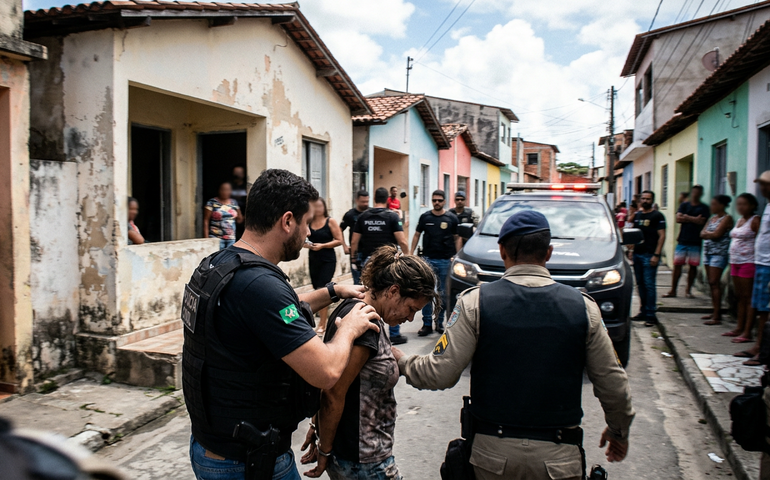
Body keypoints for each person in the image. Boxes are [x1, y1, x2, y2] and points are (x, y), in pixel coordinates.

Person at [393, 210, 635, 480]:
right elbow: (614, 383)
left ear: (501, 251)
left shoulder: (475, 303)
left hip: (491, 459)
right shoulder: (583, 308)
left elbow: (440, 372)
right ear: (549, 253)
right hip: (559, 460)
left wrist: (403, 362)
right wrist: (618, 431)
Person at [184, 169, 380, 480]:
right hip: (249, 462)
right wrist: (349, 328)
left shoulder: (218, 266)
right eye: (305, 224)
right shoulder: (261, 287)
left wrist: (331, 292)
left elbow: (277, 316)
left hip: (211, 447)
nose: (309, 235)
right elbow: (326, 372)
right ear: (287, 222)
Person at [299, 246, 439, 480]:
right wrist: (324, 448)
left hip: (357, 457)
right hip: (364, 462)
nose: (410, 318)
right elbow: (333, 391)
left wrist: (317, 428)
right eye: (411, 308)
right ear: (393, 291)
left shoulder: (354, 307)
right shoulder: (365, 324)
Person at [351, 187, 410, 345]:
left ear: (374, 198)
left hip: (368, 262)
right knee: (393, 295)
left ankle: (369, 331)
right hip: (388, 262)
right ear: (386, 199)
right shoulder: (391, 216)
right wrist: (409, 259)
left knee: (371, 296)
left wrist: (353, 259)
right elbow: (402, 240)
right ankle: (394, 334)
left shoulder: (363, 216)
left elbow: (354, 241)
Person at [411, 190, 462, 336]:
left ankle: (439, 323)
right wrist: (410, 253)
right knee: (427, 293)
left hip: (446, 260)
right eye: (434, 200)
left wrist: (457, 256)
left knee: (443, 294)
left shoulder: (451, 218)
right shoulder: (425, 217)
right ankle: (426, 324)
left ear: (444, 201)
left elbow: (457, 237)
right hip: (428, 260)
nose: (437, 203)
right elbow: (416, 234)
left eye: (439, 200)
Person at [736, 171, 770, 367]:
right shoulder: (767, 206)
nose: (763, 188)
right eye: (762, 184)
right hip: (761, 262)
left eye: (766, 184)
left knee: (765, 309)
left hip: (766, 264)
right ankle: (758, 346)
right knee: (760, 308)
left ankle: (762, 350)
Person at [305, 198, 343, 334]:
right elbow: (303, 239)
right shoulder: (308, 222)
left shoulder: (330, 221)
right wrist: (308, 245)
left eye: (320, 206)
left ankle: (322, 324)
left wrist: (323, 246)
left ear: (324, 207)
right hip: (314, 258)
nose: (317, 208)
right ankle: (321, 319)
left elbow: (339, 240)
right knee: (316, 288)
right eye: (315, 206)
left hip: (328, 259)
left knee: (323, 288)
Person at [726, 193, 761, 342]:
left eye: (744, 204)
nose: (740, 207)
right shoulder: (740, 220)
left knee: (748, 298)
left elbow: (760, 241)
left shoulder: (755, 220)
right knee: (739, 297)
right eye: (738, 204)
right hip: (735, 261)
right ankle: (739, 327)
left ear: (752, 205)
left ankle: (747, 332)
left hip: (749, 262)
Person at [629, 190, 666, 327]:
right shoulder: (637, 215)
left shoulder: (657, 216)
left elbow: (662, 236)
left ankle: (651, 315)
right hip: (638, 254)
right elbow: (633, 233)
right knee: (640, 285)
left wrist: (656, 254)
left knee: (649, 285)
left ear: (652, 200)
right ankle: (643, 311)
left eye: (648, 199)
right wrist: (631, 251)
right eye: (643, 198)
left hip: (650, 255)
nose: (645, 201)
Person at [665, 185, 709, 299]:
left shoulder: (704, 208)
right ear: (691, 192)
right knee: (677, 265)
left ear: (701, 194)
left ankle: (688, 290)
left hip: (695, 241)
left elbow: (702, 222)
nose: (695, 194)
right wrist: (694, 219)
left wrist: (686, 217)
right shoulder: (684, 205)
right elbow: (678, 219)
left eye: (698, 192)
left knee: (692, 267)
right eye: (694, 191)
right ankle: (673, 290)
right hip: (682, 240)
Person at [700, 195, 734, 325]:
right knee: (711, 282)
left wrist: (709, 235)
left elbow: (717, 234)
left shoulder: (727, 218)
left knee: (715, 282)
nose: (711, 206)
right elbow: (702, 233)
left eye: (714, 204)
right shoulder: (712, 219)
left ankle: (717, 315)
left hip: (719, 254)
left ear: (721, 205)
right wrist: (709, 235)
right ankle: (715, 311)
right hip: (708, 253)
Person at [340, 190, 369, 285]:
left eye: (367, 201)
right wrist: (344, 246)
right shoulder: (350, 215)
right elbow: (340, 229)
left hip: (370, 251)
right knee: (357, 281)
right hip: (356, 252)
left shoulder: (371, 213)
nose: (365, 204)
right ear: (356, 200)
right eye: (362, 202)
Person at [204, 181, 241, 250]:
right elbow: (206, 220)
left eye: (227, 190)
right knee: (217, 258)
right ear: (219, 190)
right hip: (216, 238)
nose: (225, 192)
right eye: (223, 189)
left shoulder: (234, 203)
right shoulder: (212, 202)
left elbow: (240, 219)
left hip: (231, 238)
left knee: (228, 258)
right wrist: (206, 239)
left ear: (231, 191)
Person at [231, 165, 251, 240]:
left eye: (239, 173)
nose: (237, 174)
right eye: (235, 172)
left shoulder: (246, 186)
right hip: (232, 217)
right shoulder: (230, 186)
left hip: (245, 216)